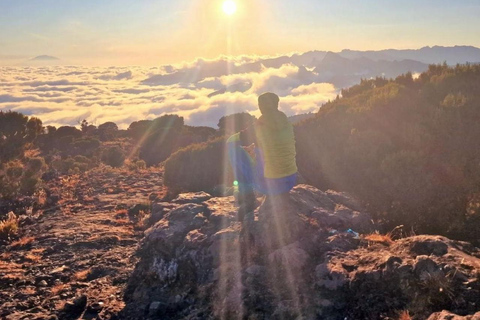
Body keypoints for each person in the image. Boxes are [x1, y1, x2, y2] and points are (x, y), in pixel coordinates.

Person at [227, 92, 298, 221]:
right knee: (263, 150)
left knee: (232, 146)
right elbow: (271, 143)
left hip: (271, 184)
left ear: (260, 107)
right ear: (277, 105)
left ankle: (247, 195)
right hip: (291, 179)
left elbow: (236, 140)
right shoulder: (286, 122)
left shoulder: (258, 126)